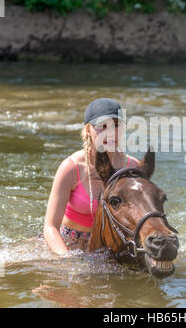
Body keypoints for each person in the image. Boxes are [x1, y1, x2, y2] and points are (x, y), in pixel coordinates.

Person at [43, 98, 140, 255]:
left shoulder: (132, 168)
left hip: (111, 247)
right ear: (88, 129)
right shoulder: (71, 168)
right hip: (69, 245)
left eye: (116, 125)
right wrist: (66, 259)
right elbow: (50, 227)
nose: (110, 132)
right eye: (102, 126)